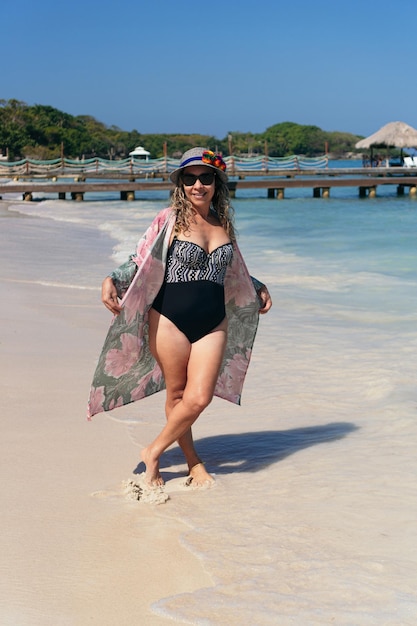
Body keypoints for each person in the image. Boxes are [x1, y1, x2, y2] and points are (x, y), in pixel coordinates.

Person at [88, 147, 272, 488]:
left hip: (212, 321)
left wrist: (258, 287)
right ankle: (193, 461)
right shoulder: (170, 219)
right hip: (169, 317)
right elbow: (140, 258)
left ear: (216, 182)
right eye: (190, 178)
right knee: (177, 394)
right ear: (181, 184)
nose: (197, 185)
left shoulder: (224, 223)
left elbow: (234, 271)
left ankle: (153, 450)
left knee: (199, 397)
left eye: (205, 178)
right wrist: (111, 279)